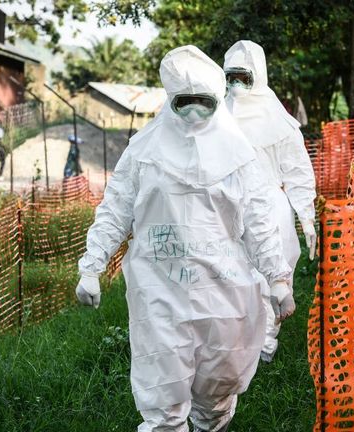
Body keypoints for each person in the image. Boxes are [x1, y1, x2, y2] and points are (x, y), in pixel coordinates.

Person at [75, 45, 295, 432]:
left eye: (203, 102)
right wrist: (91, 266)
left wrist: (278, 278)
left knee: (218, 383)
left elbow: (260, 218)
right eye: (185, 102)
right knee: (162, 391)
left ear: (216, 99)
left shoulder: (238, 154)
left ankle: (211, 424)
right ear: (170, 99)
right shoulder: (144, 151)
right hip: (159, 291)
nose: (194, 111)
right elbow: (115, 209)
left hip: (223, 291)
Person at [224, 40, 317, 363]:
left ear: (258, 76)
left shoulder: (279, 123)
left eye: (243, 77)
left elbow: (297, 171)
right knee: (233, 275)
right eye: (231, 77)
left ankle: (265, 343)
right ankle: (236, 341)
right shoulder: (217, 117)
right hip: (227, 206)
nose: (236, 86)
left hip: (270, 205)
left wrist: (306, 215)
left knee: (272, 274)